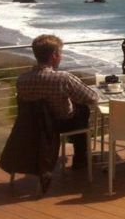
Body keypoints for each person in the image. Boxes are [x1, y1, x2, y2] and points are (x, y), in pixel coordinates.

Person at [17, 34, 99, 170]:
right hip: (60, 124)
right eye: (60, 53)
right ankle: (80, 159)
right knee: (82, 110)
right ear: (54, 55)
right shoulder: (63, 78)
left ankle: (79, 157)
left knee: (77, 109)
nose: (61, 56)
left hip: (33, 125)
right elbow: (92, 97)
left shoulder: (22, 80)